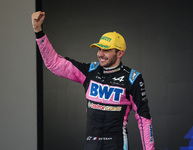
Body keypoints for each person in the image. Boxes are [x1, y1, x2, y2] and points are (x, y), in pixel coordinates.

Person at [32, 11, 155, 150]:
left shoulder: (132, 78)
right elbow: (54, 64)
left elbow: (144, 119)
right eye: (99, 49)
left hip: (117, 145)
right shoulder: (89, 71)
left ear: (120, 53)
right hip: (91, 145)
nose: (100, 54)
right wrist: (38, 32)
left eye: (106, 50)